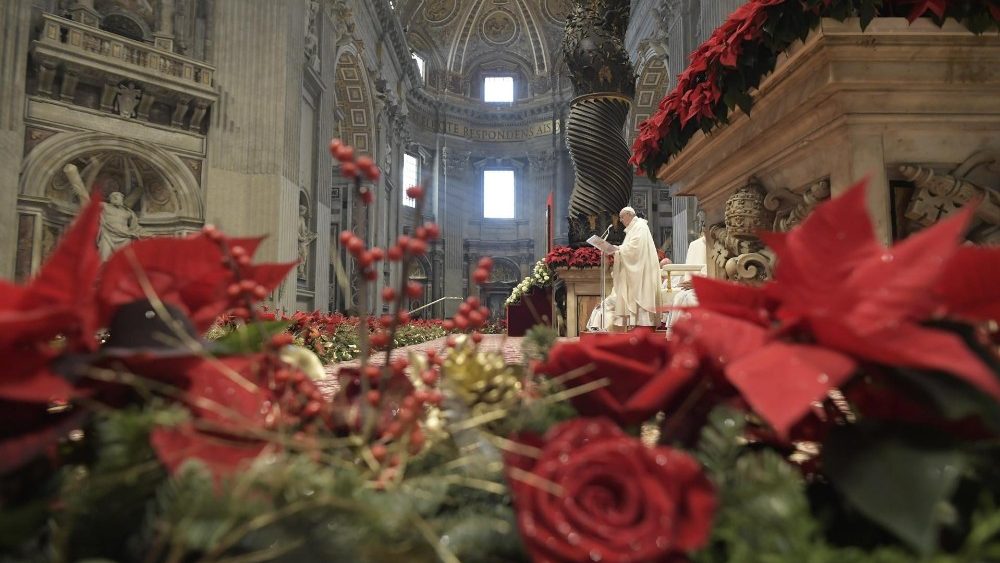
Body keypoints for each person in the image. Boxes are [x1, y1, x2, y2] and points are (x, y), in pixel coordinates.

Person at [609, 206, 661, 329]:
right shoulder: (634, 228)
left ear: (629, 214)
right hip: (637, 269)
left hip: (642, 271)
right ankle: (635, 325)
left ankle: (643, 327)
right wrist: (618, 250)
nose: (620, 220)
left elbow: (635, 248)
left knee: (641, 295)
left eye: (622, 217)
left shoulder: (640, 226)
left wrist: (619, 249)